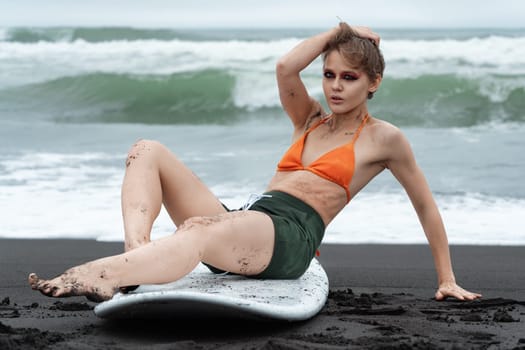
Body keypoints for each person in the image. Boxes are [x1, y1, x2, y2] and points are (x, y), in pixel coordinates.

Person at [28, 23, 481, 302]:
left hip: (290, 240)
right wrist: (339, 32)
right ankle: (135, 259)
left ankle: (97, 275)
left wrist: (447, 278)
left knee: (197, 231)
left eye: (349, 77)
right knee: (147, 151)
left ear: (373, 82)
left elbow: (425, 205)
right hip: (251, 221)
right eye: (328, 75)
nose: (335, 87)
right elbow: (286, 68)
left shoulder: (385, 139)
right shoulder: (309, 121)